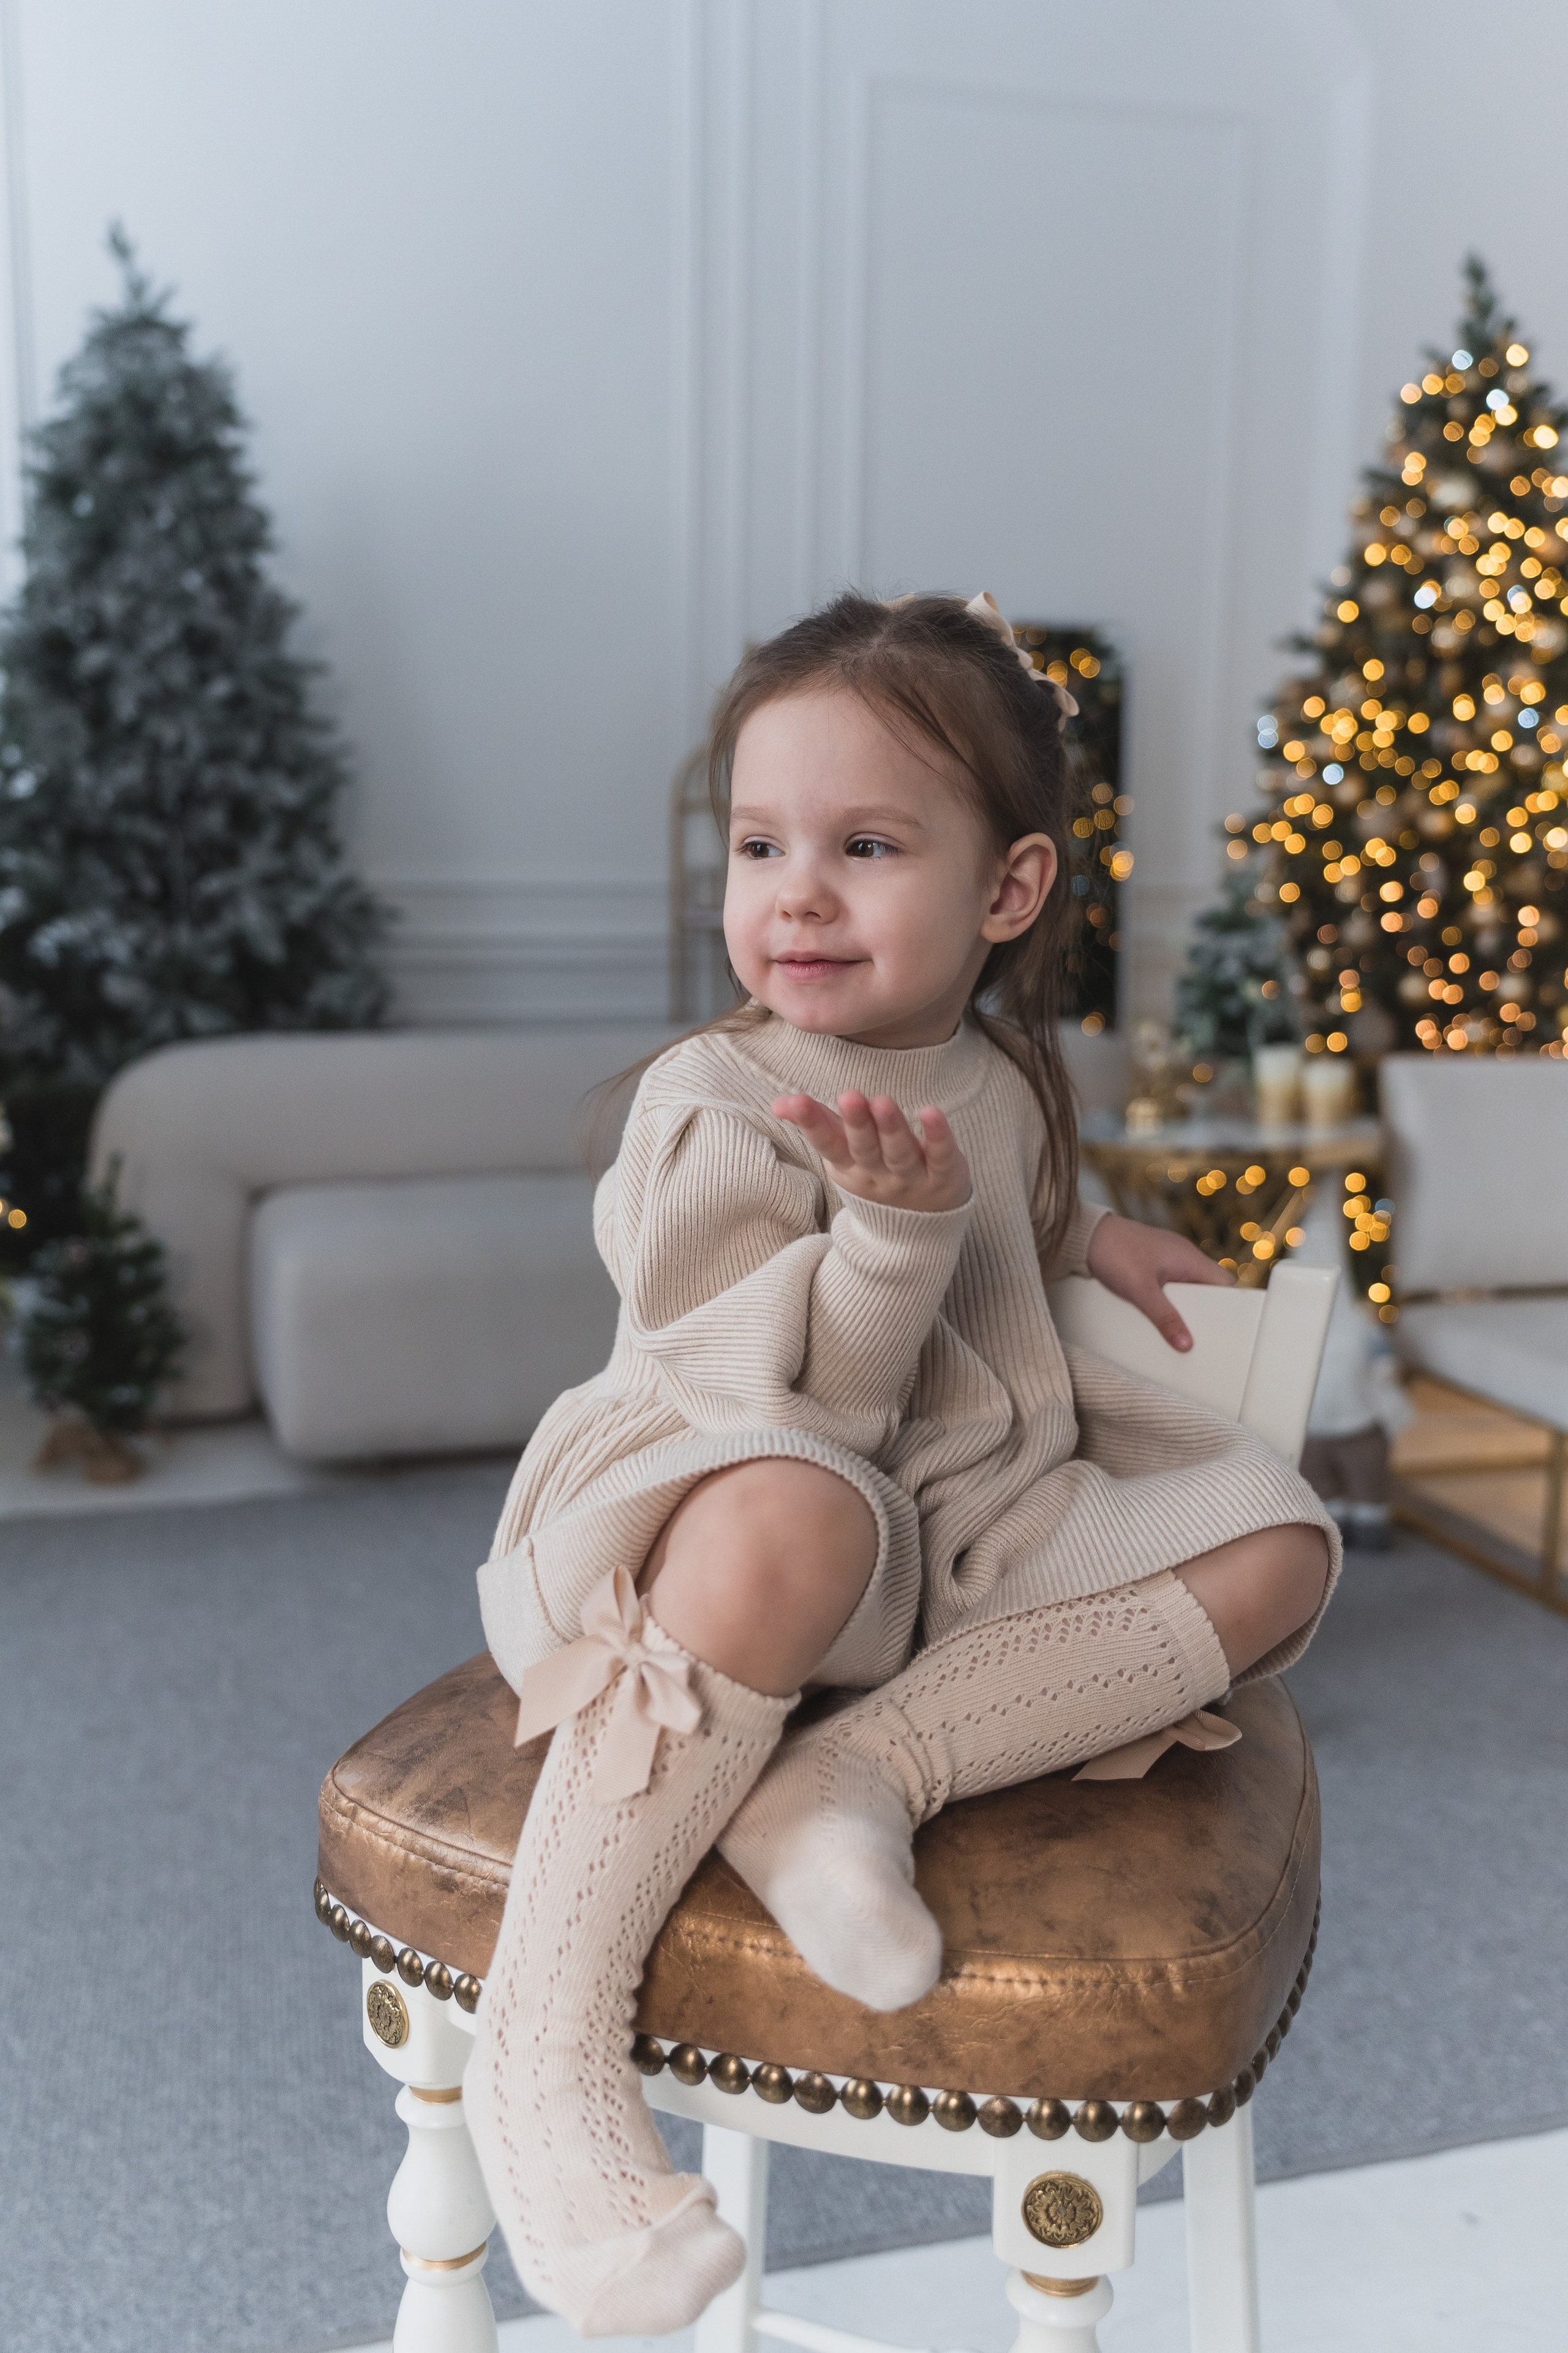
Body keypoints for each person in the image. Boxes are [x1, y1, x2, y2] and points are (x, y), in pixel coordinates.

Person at [465, 591, 1338, 2336]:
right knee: (794, 1507)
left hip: (958, 1518)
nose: (797, 892)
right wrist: (889, 1241)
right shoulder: (713, 1101)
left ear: (1006, 891)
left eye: (863, 847)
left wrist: (1093, 1238)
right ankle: (542, 2040)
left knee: (1283, 1544)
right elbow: (810, 1408)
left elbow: (1011, 1214)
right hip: (729, 1522)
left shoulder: (995, 1071)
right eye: (762, 845)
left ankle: (854, 1775)